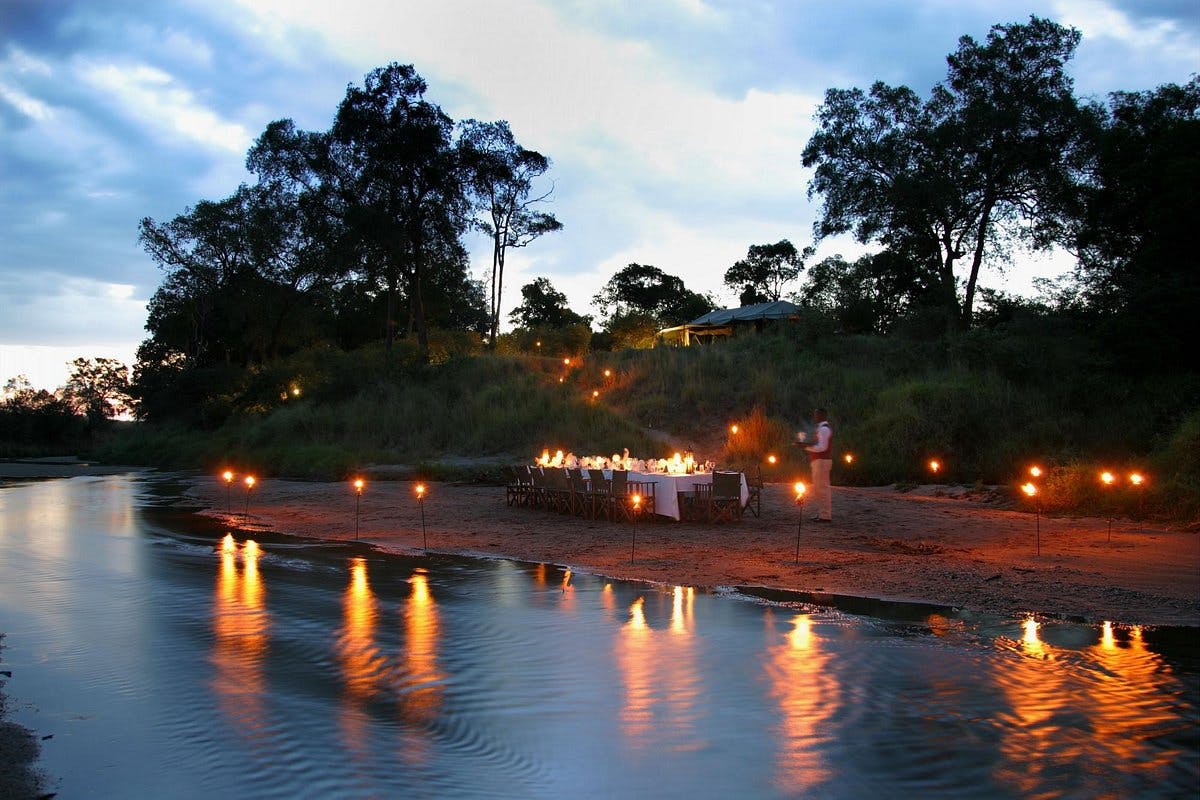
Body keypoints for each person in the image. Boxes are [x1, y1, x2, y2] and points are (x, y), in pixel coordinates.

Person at [804, 408, 834, 522]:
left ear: (822, 415)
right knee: (819, 488)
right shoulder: (822, 429)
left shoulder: (824, 429)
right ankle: (822, 513)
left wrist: (806, 446)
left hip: (821, 461)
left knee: (822, 488)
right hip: (820, 461)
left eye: (816, 415)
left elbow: (822, 447)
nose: (814, 417)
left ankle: (825, 515)